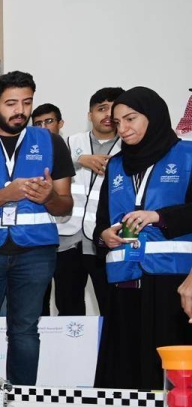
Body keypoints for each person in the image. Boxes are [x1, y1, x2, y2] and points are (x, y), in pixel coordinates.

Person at [0, 71, 74, 386]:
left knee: (25, 331)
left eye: (26, 102)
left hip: (36, 252)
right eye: (11, 103)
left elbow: (66, 205)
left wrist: (49, 198)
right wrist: (5, 194)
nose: (20, 110)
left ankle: (22, 403)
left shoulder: (52, 143)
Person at [96, 87, 192, 390]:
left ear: (153, 116)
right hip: (124, 282)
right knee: (125, 372)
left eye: (131, 119)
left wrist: (159, 216)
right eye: (117, 122)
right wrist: (104, 235)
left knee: (168, 374)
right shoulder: (115, 164)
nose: (123, 129)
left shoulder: (188, 155)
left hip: (172, 281)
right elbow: (101, 221)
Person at [58, 87, 124, 316]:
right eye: (101, 108)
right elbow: (48, 171)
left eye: (113, 109)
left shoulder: (128, 146)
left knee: (111, 307)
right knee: (68, 308)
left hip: (104, 239)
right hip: (68, 239)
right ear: (90, 114)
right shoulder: (70, 142)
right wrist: (78, 160)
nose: (107, 114)